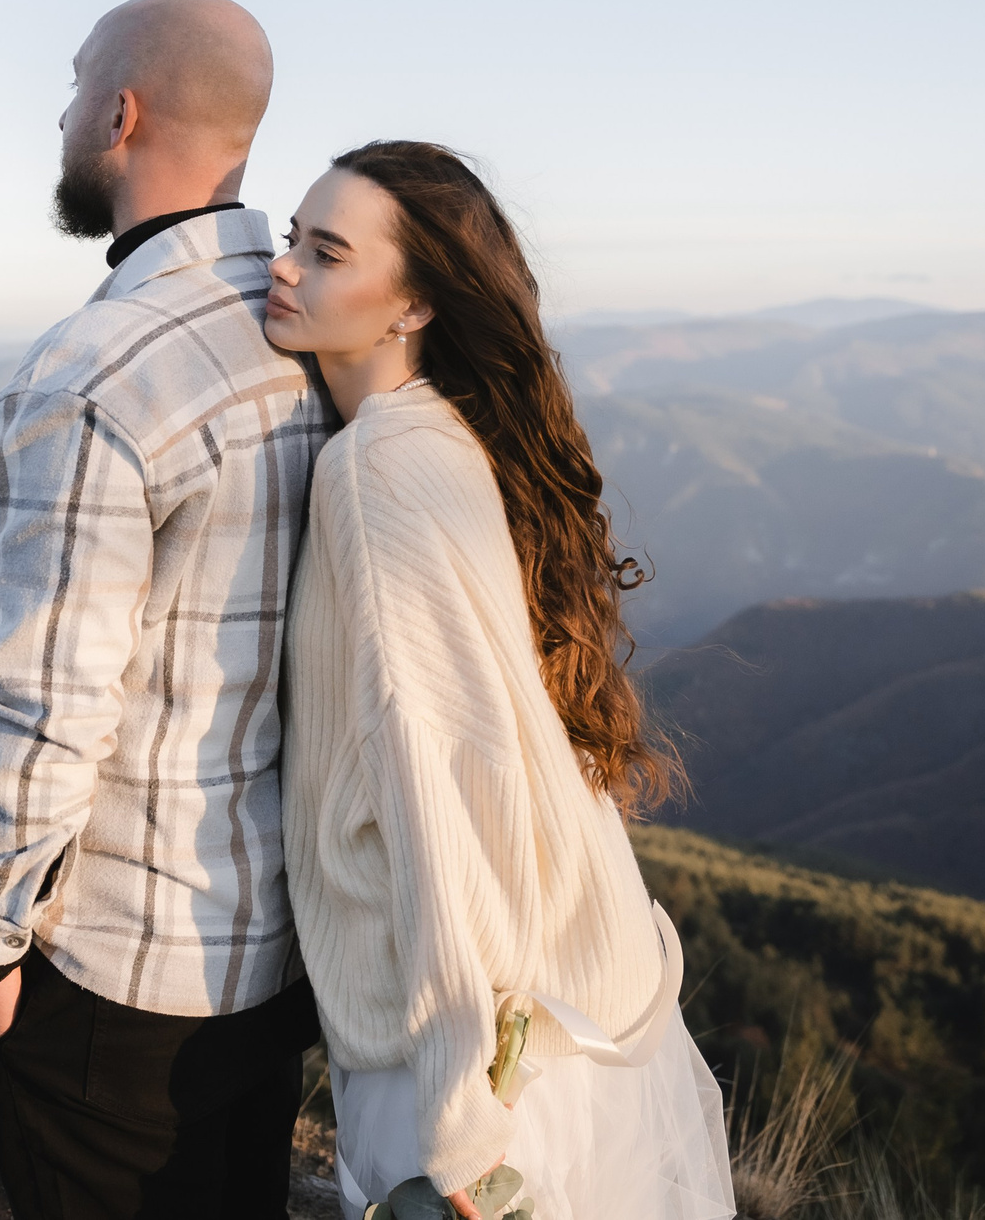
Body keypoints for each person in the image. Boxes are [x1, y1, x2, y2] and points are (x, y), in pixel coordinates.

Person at [267, 141, 736, 1220]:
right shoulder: (447, 437)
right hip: (566, 1003)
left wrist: (455, 1105)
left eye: (327, 251)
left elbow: (427, 776)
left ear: (412, 304)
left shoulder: (371, 469)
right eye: (290, 238)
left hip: (488, 1047)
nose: (283, 267)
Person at [0, 0, 331, 1220]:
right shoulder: (319, 334)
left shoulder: (97, 372)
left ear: (119, 114)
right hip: (274, 950)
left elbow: (42, 698)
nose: (62, 113)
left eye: (72, 88)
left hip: (116, 973)